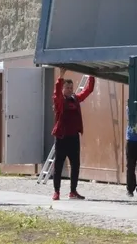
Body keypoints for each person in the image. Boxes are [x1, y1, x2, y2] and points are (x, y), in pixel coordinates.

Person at [51, 70, 95, 201]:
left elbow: (88, 90)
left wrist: (92, 75)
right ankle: (56, 191)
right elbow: (56, 93)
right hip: (62, 137)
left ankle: (73, 191)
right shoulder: (59, 101)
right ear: (63, 89)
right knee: (58, 165)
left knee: (75, 164)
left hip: (74, 137)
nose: (70, 90)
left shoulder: (75, 99)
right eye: (67, 88)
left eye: (71, 88)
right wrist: (60, 77)